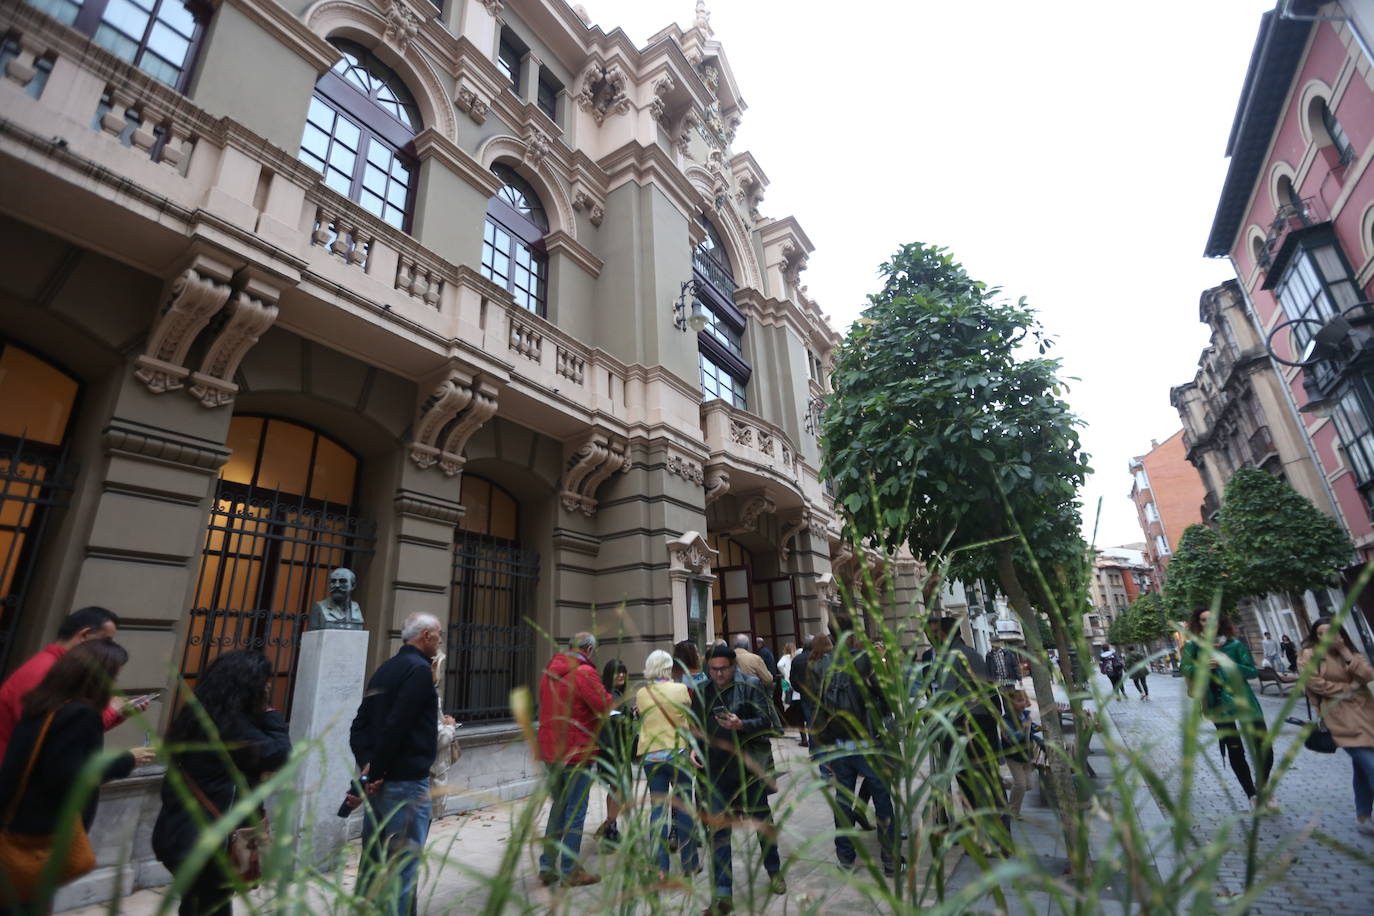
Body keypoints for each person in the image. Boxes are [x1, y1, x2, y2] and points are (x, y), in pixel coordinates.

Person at [0, 640, 154, 910]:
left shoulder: (42, 702)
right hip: (41, 829)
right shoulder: (81, 713)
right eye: (113, 676)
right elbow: (70, 775)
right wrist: (127, 759)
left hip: (16, 815)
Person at [153, 650, 290, 916]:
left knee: (198, 904)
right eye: (265, 681)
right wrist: (269, 712)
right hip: (209, 843)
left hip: (179, 832)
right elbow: (278, 754)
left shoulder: (199, 714)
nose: (269, 686)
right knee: (210, 906)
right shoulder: (230, 725)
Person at [349, 613, 443, 915]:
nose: (440, 641)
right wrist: (376, 771)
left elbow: (359, 725)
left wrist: (367, 766)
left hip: (378, 783)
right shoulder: (418, 671)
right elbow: (397, 725)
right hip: (405, 783)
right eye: (438, 635)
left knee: (374, 864)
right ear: (426, 635)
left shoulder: (385, 669)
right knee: (403, 868)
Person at [695, 644, 785, 913]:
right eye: (713, 669)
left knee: (762, 823)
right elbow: (696, 728)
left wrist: (741, 724)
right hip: (716, 772)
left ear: (733, 666)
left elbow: (768, 722)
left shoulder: (751, 685)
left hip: (748, 770)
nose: (719, 674)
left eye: (723, 669)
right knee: (719, 833)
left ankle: (774, 871)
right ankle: (723, 898)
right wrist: (692, 748)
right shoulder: (703, 690)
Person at [0, 607, 147, 762]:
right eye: (105, 641)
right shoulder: (48, 671)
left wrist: (118, 714)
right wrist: (112, 711)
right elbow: (58, 738)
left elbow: (72, 732)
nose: (106, 648)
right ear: (84, 634)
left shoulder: (58, 667)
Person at [808, 631, 897, 874]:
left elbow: (819, 705)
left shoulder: (825, 665)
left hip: (839, 743)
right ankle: (890, 858)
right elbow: (884, 696)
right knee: (881, 798)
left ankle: (846, 858)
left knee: (843, 800)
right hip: (866, 741)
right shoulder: (865, 660)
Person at [926, 616, 1008, 855]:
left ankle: (991, 839)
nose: (930, 637)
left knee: (973, 783)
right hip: (982, 722)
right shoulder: (971, 652)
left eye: (933, 632)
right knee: (985, 781)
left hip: (966, 725)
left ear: (943, 633)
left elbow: (945, 694)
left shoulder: (952, 656)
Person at [535, 632, 612, 887]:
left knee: (558, 807)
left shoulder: (549, 671)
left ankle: (547, 866)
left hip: (551, 751)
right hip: (576, 751)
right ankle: (569, 870)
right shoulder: (584, 673)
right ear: (588, 649)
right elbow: (603, 705)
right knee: (575, 811)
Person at [1181, 608, 1275, 810]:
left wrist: (1229, 664)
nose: (1209, 623)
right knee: (1235, 749)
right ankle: (1252, 795)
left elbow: (1251, 672)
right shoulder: (1193, 647)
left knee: (1264, 746)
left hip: (1245, 701)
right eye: (1204, 620)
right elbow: (1186, 668)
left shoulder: (1234, 645)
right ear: (1199, 624)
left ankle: (1263, 784)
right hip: (1217, 703)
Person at [1298, 616, 1374, 836]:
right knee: (1369, 764)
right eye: (1320, 634)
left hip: (1367, 713)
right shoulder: (1309, 656)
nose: (1326, 638)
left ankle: (1363, 817)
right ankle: (1363, 818)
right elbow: (1315, 684)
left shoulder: (1350, 652)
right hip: (1338, 717)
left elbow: (1367, 675)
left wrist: (1345, 652)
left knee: (1362, 768)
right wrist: (1348, 689)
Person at [634, 650, 701, 879]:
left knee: (657, 812)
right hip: (678, 753)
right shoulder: (680, 689)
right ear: (669, 667)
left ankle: (659, 867)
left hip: (651, 756)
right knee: (684, 809)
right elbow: (690, 718)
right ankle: (690, 863)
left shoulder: (642, 694)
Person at [593, 658, 633, 844]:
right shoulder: (610, 696)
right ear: (609, 675)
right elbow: (613, 725)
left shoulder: (612, 694)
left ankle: (610, 825)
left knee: (616, 789)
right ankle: (610, 827)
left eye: (623, 671)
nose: (621, 675)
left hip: (613, 750)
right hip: (614, 751)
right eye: (617, 672)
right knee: (619, 790)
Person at [1001, 689, 1043, 817]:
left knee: (1028, 785)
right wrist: (1023, 728)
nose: (1023, 703)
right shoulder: (1006, 720)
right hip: (1014, 756)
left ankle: (1002, 782)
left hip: (1027, 754)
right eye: (1019, 700)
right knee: (1020, 785)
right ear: (1010, 703)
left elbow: (1030, 733)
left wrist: (1040, 738)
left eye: (1024, 699)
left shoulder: (1025, 715)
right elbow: (1012, 738)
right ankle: (1012, 811)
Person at [792, 634, 815, 748]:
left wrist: (800, 690)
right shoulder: (818, 657)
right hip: (818, 694)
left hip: (805, 695)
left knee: (810, 722)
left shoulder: (797, 659)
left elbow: (793, 679)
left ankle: (814, 749)